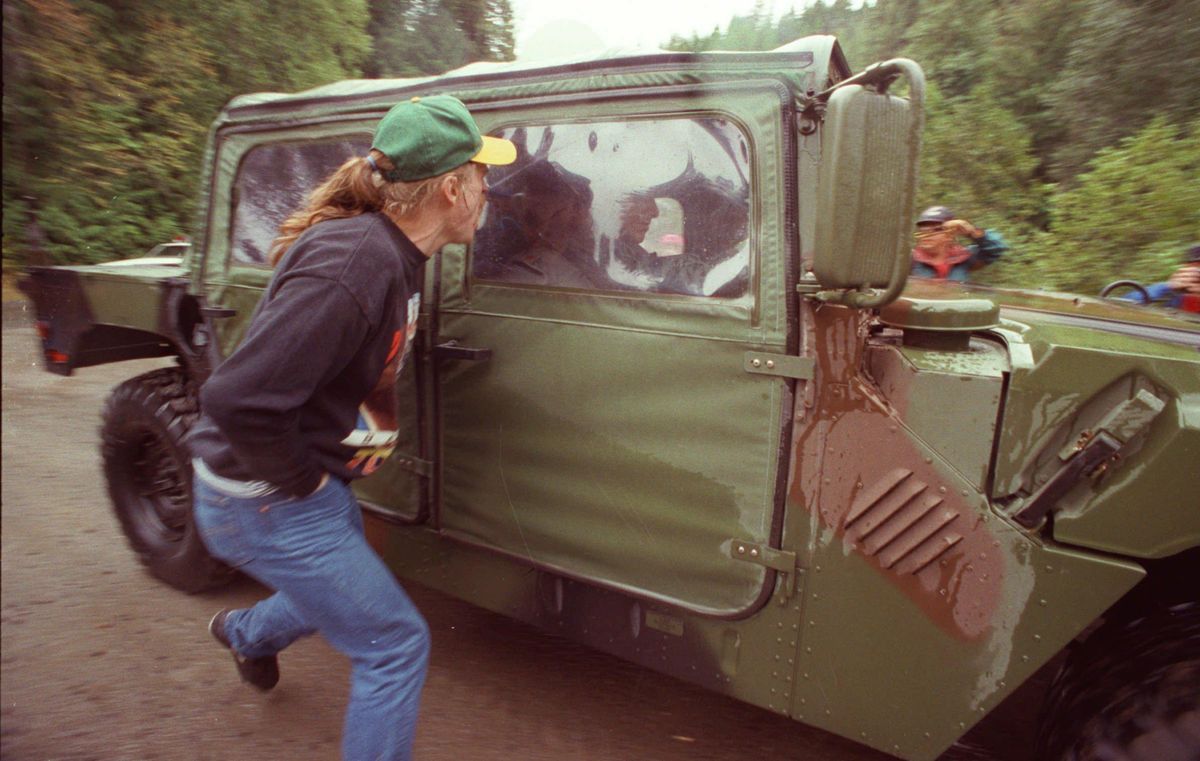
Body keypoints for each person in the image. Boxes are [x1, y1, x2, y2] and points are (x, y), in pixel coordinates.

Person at [187, 95, 515, 761]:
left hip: (306, 481)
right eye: (483, 175)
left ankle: (245, 633)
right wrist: (305, 484)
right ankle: (250, 631)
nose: (489, 188)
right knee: (395, 643)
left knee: (340, 591)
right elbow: (237, 399)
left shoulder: (396, 252)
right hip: (265, 498)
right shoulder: (355, 263)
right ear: (451, 189)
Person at [910, 205, 1007, 282]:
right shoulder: (907, 259)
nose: (927, 235)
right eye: (923, 230)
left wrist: (971, 231)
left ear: (950, 235)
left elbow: (997, 248)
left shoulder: (963, 258)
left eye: (936, 229)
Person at [1126, 244, 1200, 312]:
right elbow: (1125, 303)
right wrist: (1168, 287)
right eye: (1196, 268)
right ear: (1186, 269)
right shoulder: (1171, 293)